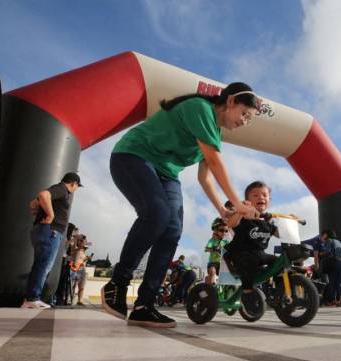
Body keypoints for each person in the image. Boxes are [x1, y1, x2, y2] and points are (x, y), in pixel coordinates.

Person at [100, 82, 260, 328]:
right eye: (245, 114)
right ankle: (117, 284)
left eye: (250, 119)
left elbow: (205, 177)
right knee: (158, 214)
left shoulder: (216, 134)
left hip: (167, 174)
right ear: (230, 102)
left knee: (172, 229)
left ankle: (144, 305)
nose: (245, 122)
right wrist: (238, 203)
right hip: (134, 156)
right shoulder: (200, 108)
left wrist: (223, 209)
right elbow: (216, 164)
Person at [22, 172, 83, 309]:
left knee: (40, 264)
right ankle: (32, 298)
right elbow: (44, 195)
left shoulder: (58, 190)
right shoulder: (62, 189)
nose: (75, 190)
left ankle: (31, 298)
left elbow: (33, 203)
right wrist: (50, 214)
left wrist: (38, 210)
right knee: (44, 265)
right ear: (73, 183)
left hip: (44, 230)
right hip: (51, 232)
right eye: (77, 186)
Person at [223, 181, 278, 312]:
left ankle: (280, 290)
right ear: (248, 201)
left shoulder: (268, 222)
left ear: (269, 199)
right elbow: (230, 224)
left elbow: (282, 234)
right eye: (256, 195)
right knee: (249, 259)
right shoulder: (243, 216)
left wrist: (291, 220)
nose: (261, 197)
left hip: (259, 255)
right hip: (238, 255)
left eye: (264, 195)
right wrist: (240, 211)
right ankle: (247, 293)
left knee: (279, 262)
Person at [320, 229, 341, 307]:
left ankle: (332, 301)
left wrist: (320, 254)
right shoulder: (338, 242)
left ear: (327, 235)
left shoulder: (329, 241)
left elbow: (327, 252)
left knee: (332, 282)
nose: (322, 236)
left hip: (334, 263)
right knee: (339, 282)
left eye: (323, 234)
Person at [204, 217, 229, 284]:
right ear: (216, 231)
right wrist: (214, 248)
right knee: (212, 272)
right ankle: (210, 289)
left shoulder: (226, 241)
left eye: (226, 231)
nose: (224, 232)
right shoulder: (212, 240)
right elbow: (207, 248)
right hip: (213, 263)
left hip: (223, 264)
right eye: (221, 230)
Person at [70, 234, 91, 306]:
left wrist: (86, 259)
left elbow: (82, 260)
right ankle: (71, 299)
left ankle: (79, 300)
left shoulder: (83, 252)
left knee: (82, 287)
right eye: (81, 241)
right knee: (73, 285)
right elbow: (74, 246)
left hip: (83, 270)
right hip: (76, 270)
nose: (82, 243)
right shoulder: (75, 249)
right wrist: (77, 238)